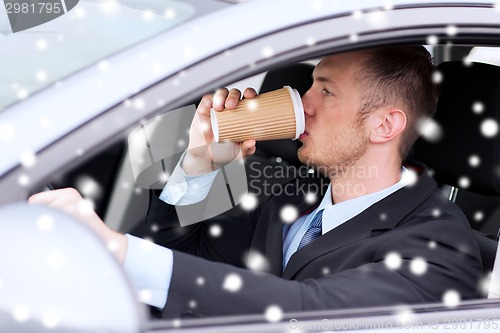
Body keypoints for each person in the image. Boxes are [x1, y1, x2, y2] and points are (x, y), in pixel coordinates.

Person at [29, 46, 482, 319]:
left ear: (385, 125)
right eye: (310, 86)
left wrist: (120, 251)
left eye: (325, 90)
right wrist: (200, 165)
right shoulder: (290, 197)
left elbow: (314, 311)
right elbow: (173, 258)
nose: (304, 104)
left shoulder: (440, 246)